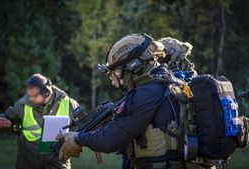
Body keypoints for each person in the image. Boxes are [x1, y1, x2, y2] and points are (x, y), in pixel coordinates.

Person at [57, 33, 205, 169]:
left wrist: (77, 138)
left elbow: (111, 139)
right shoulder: (166, 81)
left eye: (115, 73)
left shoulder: (149, 90)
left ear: (133, 66)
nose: (114, 83)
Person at [0, 73, 79, 169]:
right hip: (28, 160)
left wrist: (75, 141)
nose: (30, 98)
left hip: (58, 160)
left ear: (46, 93)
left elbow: (83, 125)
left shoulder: (69, 103)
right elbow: (7, 116)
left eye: (34, 95)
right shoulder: (22, 104)